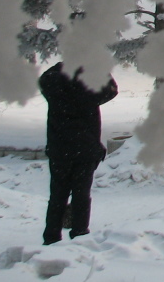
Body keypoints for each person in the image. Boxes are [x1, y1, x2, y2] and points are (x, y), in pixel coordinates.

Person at [39, 61, 118, 245]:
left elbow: (43, 81)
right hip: (85, 148)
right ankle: (79, 232)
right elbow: (112, 90)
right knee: (81, 194)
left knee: (57, 194)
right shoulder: (90, 82)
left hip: (60, 148)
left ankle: (51, 236)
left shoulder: (54, 80)